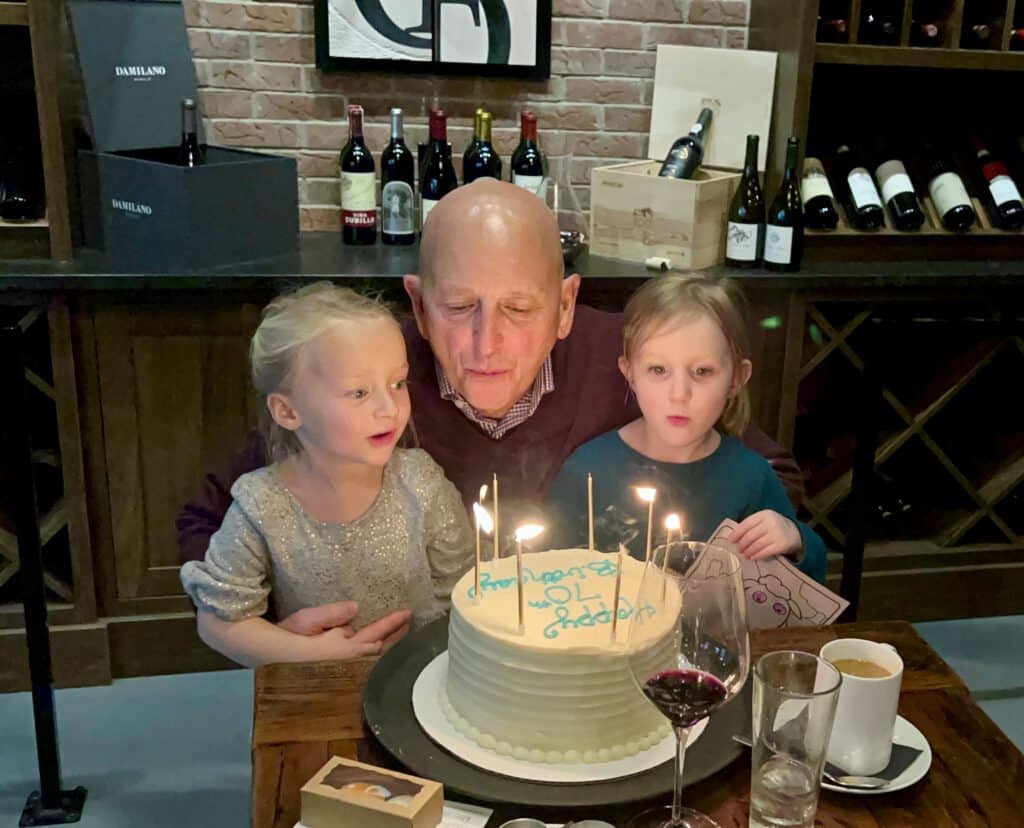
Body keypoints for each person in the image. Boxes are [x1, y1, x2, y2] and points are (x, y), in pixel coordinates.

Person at [176, 180, 806, 632]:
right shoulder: (368, 371)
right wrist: (271, 630)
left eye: (519, 308)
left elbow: (759, 472)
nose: (487, 343)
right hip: (408, 661)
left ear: (564, 306)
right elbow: (217, 518)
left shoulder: (636, 361)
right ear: (419, 306)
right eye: (458, 308)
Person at [179, 283, 473, 666]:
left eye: (397, 383)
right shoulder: (261, 506)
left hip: (421, 679)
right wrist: (316, 653)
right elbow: (219, 623)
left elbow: (469, 590)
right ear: (287, 411)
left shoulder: (422, 483)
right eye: (358, 393)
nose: (390, 408)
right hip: (318, 690)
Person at [546, 275, 827, 583]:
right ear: (630, 374)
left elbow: (807, 582)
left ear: (736, 378)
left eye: (702, 371)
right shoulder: (586, 470)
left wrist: (794, 539)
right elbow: (546, 575)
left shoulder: (752, 477)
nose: (679, 393)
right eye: (658, 370)